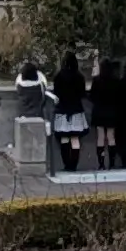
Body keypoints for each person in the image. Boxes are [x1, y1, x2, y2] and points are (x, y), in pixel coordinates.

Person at [49, 46, 94, 174]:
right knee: (75, 139)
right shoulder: (79, 77)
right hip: (76, 111)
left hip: (62, 111)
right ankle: (73, 166)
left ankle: (66, 165)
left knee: (64, 139)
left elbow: (56, 94)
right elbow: (82, 94)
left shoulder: (59, 77)